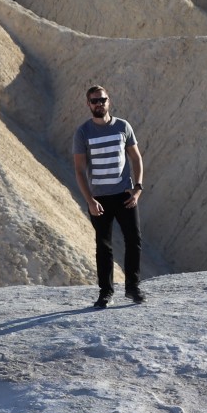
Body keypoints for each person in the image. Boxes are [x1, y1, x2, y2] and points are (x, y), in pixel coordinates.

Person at [71, 84, 144, 308]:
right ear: (88, 104)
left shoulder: (123, 126)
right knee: (103, 246)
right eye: (94, 101)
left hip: (125, 195)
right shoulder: (83, 132)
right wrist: (90, 200)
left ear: (108, 101)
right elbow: (79, 170)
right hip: (100, 199)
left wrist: (138, 188)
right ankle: (106, 292)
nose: (99, 104)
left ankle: (132, 288)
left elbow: (136, 158)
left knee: (134, 240)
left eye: (102, 100)